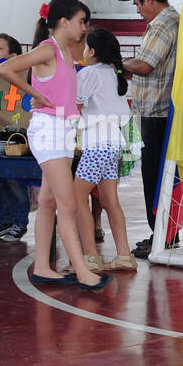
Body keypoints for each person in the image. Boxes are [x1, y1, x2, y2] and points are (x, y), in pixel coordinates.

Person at [0, 0, 108, 290]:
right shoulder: (48, 50)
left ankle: (44, 267)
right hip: (49, 130)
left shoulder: (66, 52)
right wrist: (34, 92)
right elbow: (3, 69)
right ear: (63, 21)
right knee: (67, 203)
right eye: (81, 21)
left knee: (47, 202)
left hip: (61, 130)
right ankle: (83, 271)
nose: (85, 27)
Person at [117, 0, 179, 258]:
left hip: (156, 112)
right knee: (159, 176)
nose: (138, 11)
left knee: (154, 176)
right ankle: (165, 233)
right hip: (157, 111)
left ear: (149, 0)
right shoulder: (167, 22)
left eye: (137, 4)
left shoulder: (164, 25)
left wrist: (118, 64)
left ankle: (161, 235)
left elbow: (144, 65)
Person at [71, 26, 136, 273]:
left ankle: (89, 257)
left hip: (98, 145)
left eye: (86, 46)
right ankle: (123, 255)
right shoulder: (112, 73)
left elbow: (75, 104)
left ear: (93, 51)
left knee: (77, 198)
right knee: (110, 200)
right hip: (116, 145)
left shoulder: (89, 73)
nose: (84, 51)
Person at [0, 33, 31, 241]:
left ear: (14, 55)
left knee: (14, 179)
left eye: (0, 49)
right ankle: (3, 220)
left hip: (16, 138)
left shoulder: (23, 74)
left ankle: (19, 221)